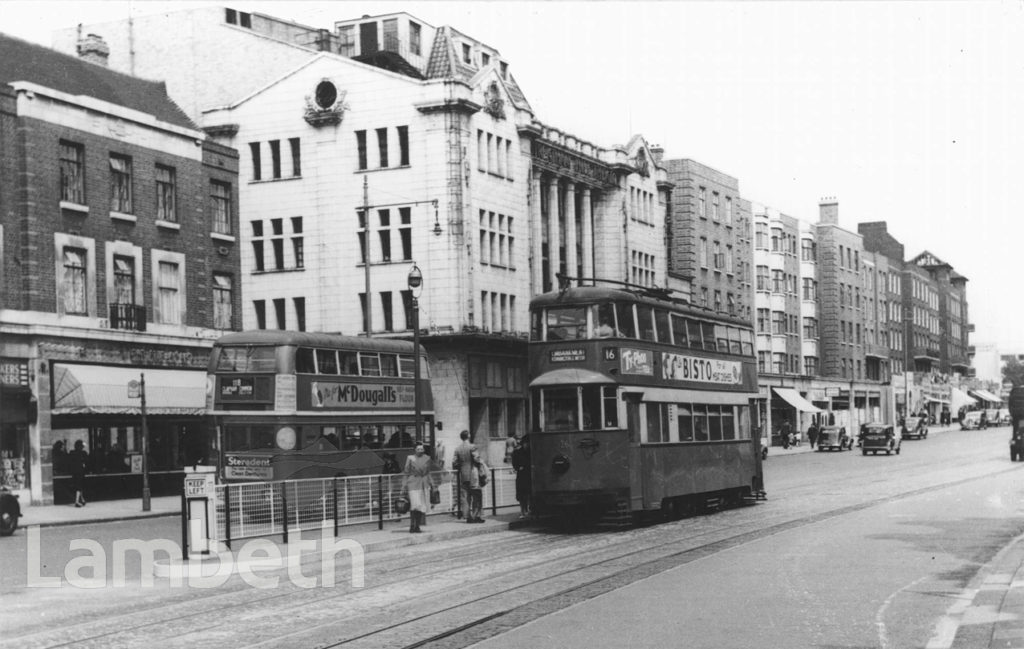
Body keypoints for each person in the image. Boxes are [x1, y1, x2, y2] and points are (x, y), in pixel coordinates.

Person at [452, 430, 485, 523]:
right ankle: (476, 516)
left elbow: (454, 462)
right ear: (469, 436)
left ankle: (467, 516)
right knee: (477, 495)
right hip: (473, 474)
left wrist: (461, 468)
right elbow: (477, 459)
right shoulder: (472, 447)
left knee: (465, 497)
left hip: (463, 475)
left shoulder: (457, 448)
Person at [403, 444, 435, 533]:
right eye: (418, 449)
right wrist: (404, 485)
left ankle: (417, 525)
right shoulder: (410, 458)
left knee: (421, 506)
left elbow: (428, 472)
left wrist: (432, 484)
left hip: (423, 484)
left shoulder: (427, 458)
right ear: (415, 450)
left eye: (422, 449)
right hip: (413, 484)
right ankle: (412, 525)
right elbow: (406, 472)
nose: (420, 450)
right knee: (414, 506)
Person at [511, 435, 532, 518]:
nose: (527, 445)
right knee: (521, 495)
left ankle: (529, 510)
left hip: (530, 475)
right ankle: (523, 511)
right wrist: (518, 468)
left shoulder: (532, 452)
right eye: (526, 443)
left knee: (529, 494)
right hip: (522, 475)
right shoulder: (517, 452)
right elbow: (514, 463)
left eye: (528, 443)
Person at [68, 440, 89, 507]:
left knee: (79, 486)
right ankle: (77, 501)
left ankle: (82, 499)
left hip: (74, 472)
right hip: (80, 471)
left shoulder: (72, 452)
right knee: (79, 486)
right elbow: (87, 461)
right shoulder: (83, 453)